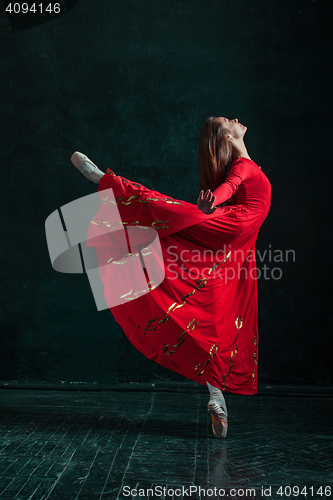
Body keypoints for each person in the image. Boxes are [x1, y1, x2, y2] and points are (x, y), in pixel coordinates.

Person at [70, 116, 271, 439]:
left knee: (214, 310)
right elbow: (230, 186)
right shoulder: (244, 166)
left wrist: (213, 204)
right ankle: (104, 181)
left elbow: (231, 186)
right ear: (226, 135)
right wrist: (213, 203)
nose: (235, 119)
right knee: (214, 309)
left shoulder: (243, 166)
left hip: (236, 239)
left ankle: (217, 397)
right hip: (233, 231)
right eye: (227, 120)